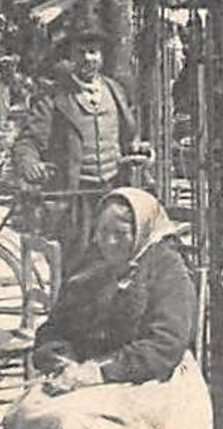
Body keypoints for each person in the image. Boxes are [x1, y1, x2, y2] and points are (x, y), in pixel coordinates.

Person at [0, 188, 221, 429]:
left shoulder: (166, 269)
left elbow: (164, 346)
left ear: (143, 231)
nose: (110, 242)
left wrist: (95, 374)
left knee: (67, 424)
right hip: (86, 377)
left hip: (151, 385)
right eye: (102, 233)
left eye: (121, 233)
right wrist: (61, 359)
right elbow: (54, 329)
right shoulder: (90, 268)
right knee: (26, 411)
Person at [12, 30, 143, 260]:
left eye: (93, 52)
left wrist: (137, 148)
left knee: (116, 260)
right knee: (77, 263)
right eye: (80, 53)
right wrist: (29, 162)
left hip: (113, 192)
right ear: (72, 57)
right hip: (75, 197)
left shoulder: (115, 91)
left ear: (101, 57)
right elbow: (28, 140)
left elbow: (127, 137)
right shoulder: (55, 97)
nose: (87, 59)